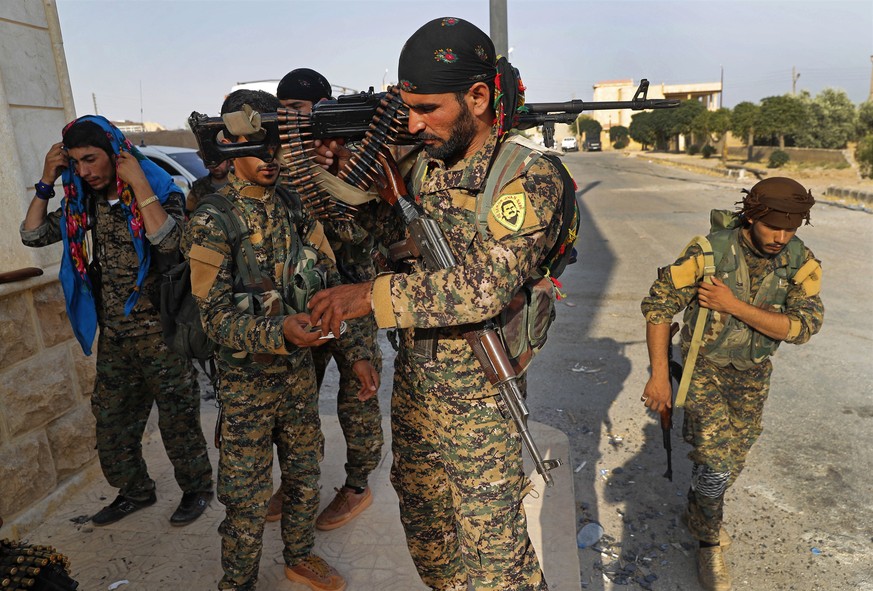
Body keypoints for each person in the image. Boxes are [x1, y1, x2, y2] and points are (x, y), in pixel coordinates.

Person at [308, 18, 565, 591]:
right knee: (426, 528)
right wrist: (333, 178)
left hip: (480, 392)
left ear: (477, 97)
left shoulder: (526, 178)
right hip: (417, 382)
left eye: (427, 108)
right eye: (407, 108)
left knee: (497, 561)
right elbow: (369, 240)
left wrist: (368, 299)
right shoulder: (421, 167)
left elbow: (485, 288)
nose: (414, 123)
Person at [183, 89, 378, 591]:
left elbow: (333, 286)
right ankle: (239, 581)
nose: (269, 158)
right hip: (246, 386)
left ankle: (299, 556)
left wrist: (355, 354)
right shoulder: (213, 219)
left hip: (296, 379)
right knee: (246, 496)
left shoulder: (295, 207)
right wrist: (279, 332)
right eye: (254, 147)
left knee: (303, 474)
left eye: (274, 147)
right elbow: (214, 318)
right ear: (228, 149)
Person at [20, 116, 213, 527]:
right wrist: (45, 181)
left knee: (178, 421)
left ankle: (196, 489)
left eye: (91, 159)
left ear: (116, 154)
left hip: (164, 334)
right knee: (111, 422)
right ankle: (135, 491)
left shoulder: (161, 191)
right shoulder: (80, 204)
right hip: (117, 337)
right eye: (76, 162)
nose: (85, 171)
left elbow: (172, 244)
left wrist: (139, 183)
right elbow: (32, 236)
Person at [641, 177, 824, 591]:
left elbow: (803, 327)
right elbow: (658, 308)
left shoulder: (800, 261)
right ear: (751, 215)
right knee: (718, 462)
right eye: (772, 226)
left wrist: (732, 305)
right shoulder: (709, 253)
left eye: (790, 228)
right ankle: (708, 541)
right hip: (703, 369)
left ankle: (700, 504)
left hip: (753, 374)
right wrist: (658, 377)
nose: (780, 237)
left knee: (730, 462)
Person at [264, 67, 384, 531]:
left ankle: (357, 485)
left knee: (358, 395)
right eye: (286, 109)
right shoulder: (279, 160)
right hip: (301, 300)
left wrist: (333, 167)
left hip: (353, 295)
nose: (292, 118)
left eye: (301, 110)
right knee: (297, 400)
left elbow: (366, 224)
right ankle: (297, 482)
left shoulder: (345, 155)